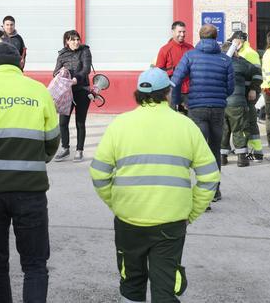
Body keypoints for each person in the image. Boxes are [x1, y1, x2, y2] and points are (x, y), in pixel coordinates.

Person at [90, 68, 220, 303]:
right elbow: (210, 176)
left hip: (129, 220)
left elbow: (99, 174)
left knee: (131, 285)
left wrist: (117, 202)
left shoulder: (120, 124)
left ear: (138, 94)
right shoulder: (185, 126)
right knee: (165, 289)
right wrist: (191, 211)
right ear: (167, 93)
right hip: (170, 223)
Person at [0, 42, 60, 303]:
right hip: (31, 190)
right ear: (20, 65)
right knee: (35, 264)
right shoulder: (38, 91)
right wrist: (35, 161)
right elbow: (52, 140)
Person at [171, 24, 234, 203]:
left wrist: (177, 102)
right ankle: (214, 190)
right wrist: (219, 97)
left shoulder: (190, 56)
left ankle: (200, 190)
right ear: (216, 37)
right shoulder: (225, 59)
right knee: (214, 149)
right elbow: (230, 88)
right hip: (217, 109)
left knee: (198, 150)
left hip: (196, 107)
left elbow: (175, 81)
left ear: (200, 36)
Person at [52, 30, 93, 163]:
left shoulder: (85, 51)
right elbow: (55, 72)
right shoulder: (62, 54)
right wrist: (61, 73)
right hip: (66, 92)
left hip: (82, 90)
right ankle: (65, 148)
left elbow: (86, 69)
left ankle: (79, 151)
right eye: (73, 40)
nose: (76, 42)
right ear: (67, 41)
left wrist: (76, 78)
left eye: (77, 39)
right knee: (63, 122)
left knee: (80, 122)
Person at [224, 31, 264, 162]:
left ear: (238, 42)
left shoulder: (249, 54)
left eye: (233, 42)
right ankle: (243, 153)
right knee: (238, 127)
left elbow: (257, 74)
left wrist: (253, 89)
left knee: (248, 124)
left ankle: (255, 153)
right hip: (241, 96)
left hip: (247, 96)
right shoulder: (239, 56)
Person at [155, 21, 194, 112]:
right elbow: (158, 71)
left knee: (189, 119)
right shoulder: (164, 49)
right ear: (173, 32)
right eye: (179, 32)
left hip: (189, 90)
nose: (182, 34)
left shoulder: (191, 48)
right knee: (172, 118)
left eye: (184, 32)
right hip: (172, 91)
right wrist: (172, 70)